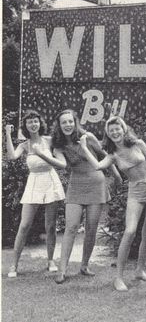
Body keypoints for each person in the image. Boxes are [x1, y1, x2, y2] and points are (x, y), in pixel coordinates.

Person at [79, 116, 146, 291]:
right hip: (135, 193)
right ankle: (118, 278)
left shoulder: (139, 144)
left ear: (124, 129)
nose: (115, 132)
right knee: (130, 231)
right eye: (111, 131)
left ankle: (140, 271)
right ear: (108, 134)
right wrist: (83, 147)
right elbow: (97, 165)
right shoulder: (112, 154)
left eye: (117, 128)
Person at [51, 109, 120, 284]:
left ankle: (84, 265)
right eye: (63, 122)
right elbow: (62, 164)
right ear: (59, 126)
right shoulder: (58, 145)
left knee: (91, 227)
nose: (67, 125)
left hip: (96, 185)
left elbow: (106, 156)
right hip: (76, 187)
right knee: (71, 226)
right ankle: (62, 269)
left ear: (75, 122)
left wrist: (118, 177)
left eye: (70, 121)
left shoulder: (88, 137)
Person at [5, 110, 65, 278]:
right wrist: (8, 134)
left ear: (40, 124)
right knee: (24, 226)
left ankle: (51, 261)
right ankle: (14, 265)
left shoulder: (50, 141)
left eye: (36, 121)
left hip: (51, 181)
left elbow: (61, 163)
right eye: (30, 122)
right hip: (34, 183)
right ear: (25, 126)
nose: (33, 124)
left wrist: (42, 155)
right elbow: (11, 157)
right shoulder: (24, 145)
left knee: (51, 225)